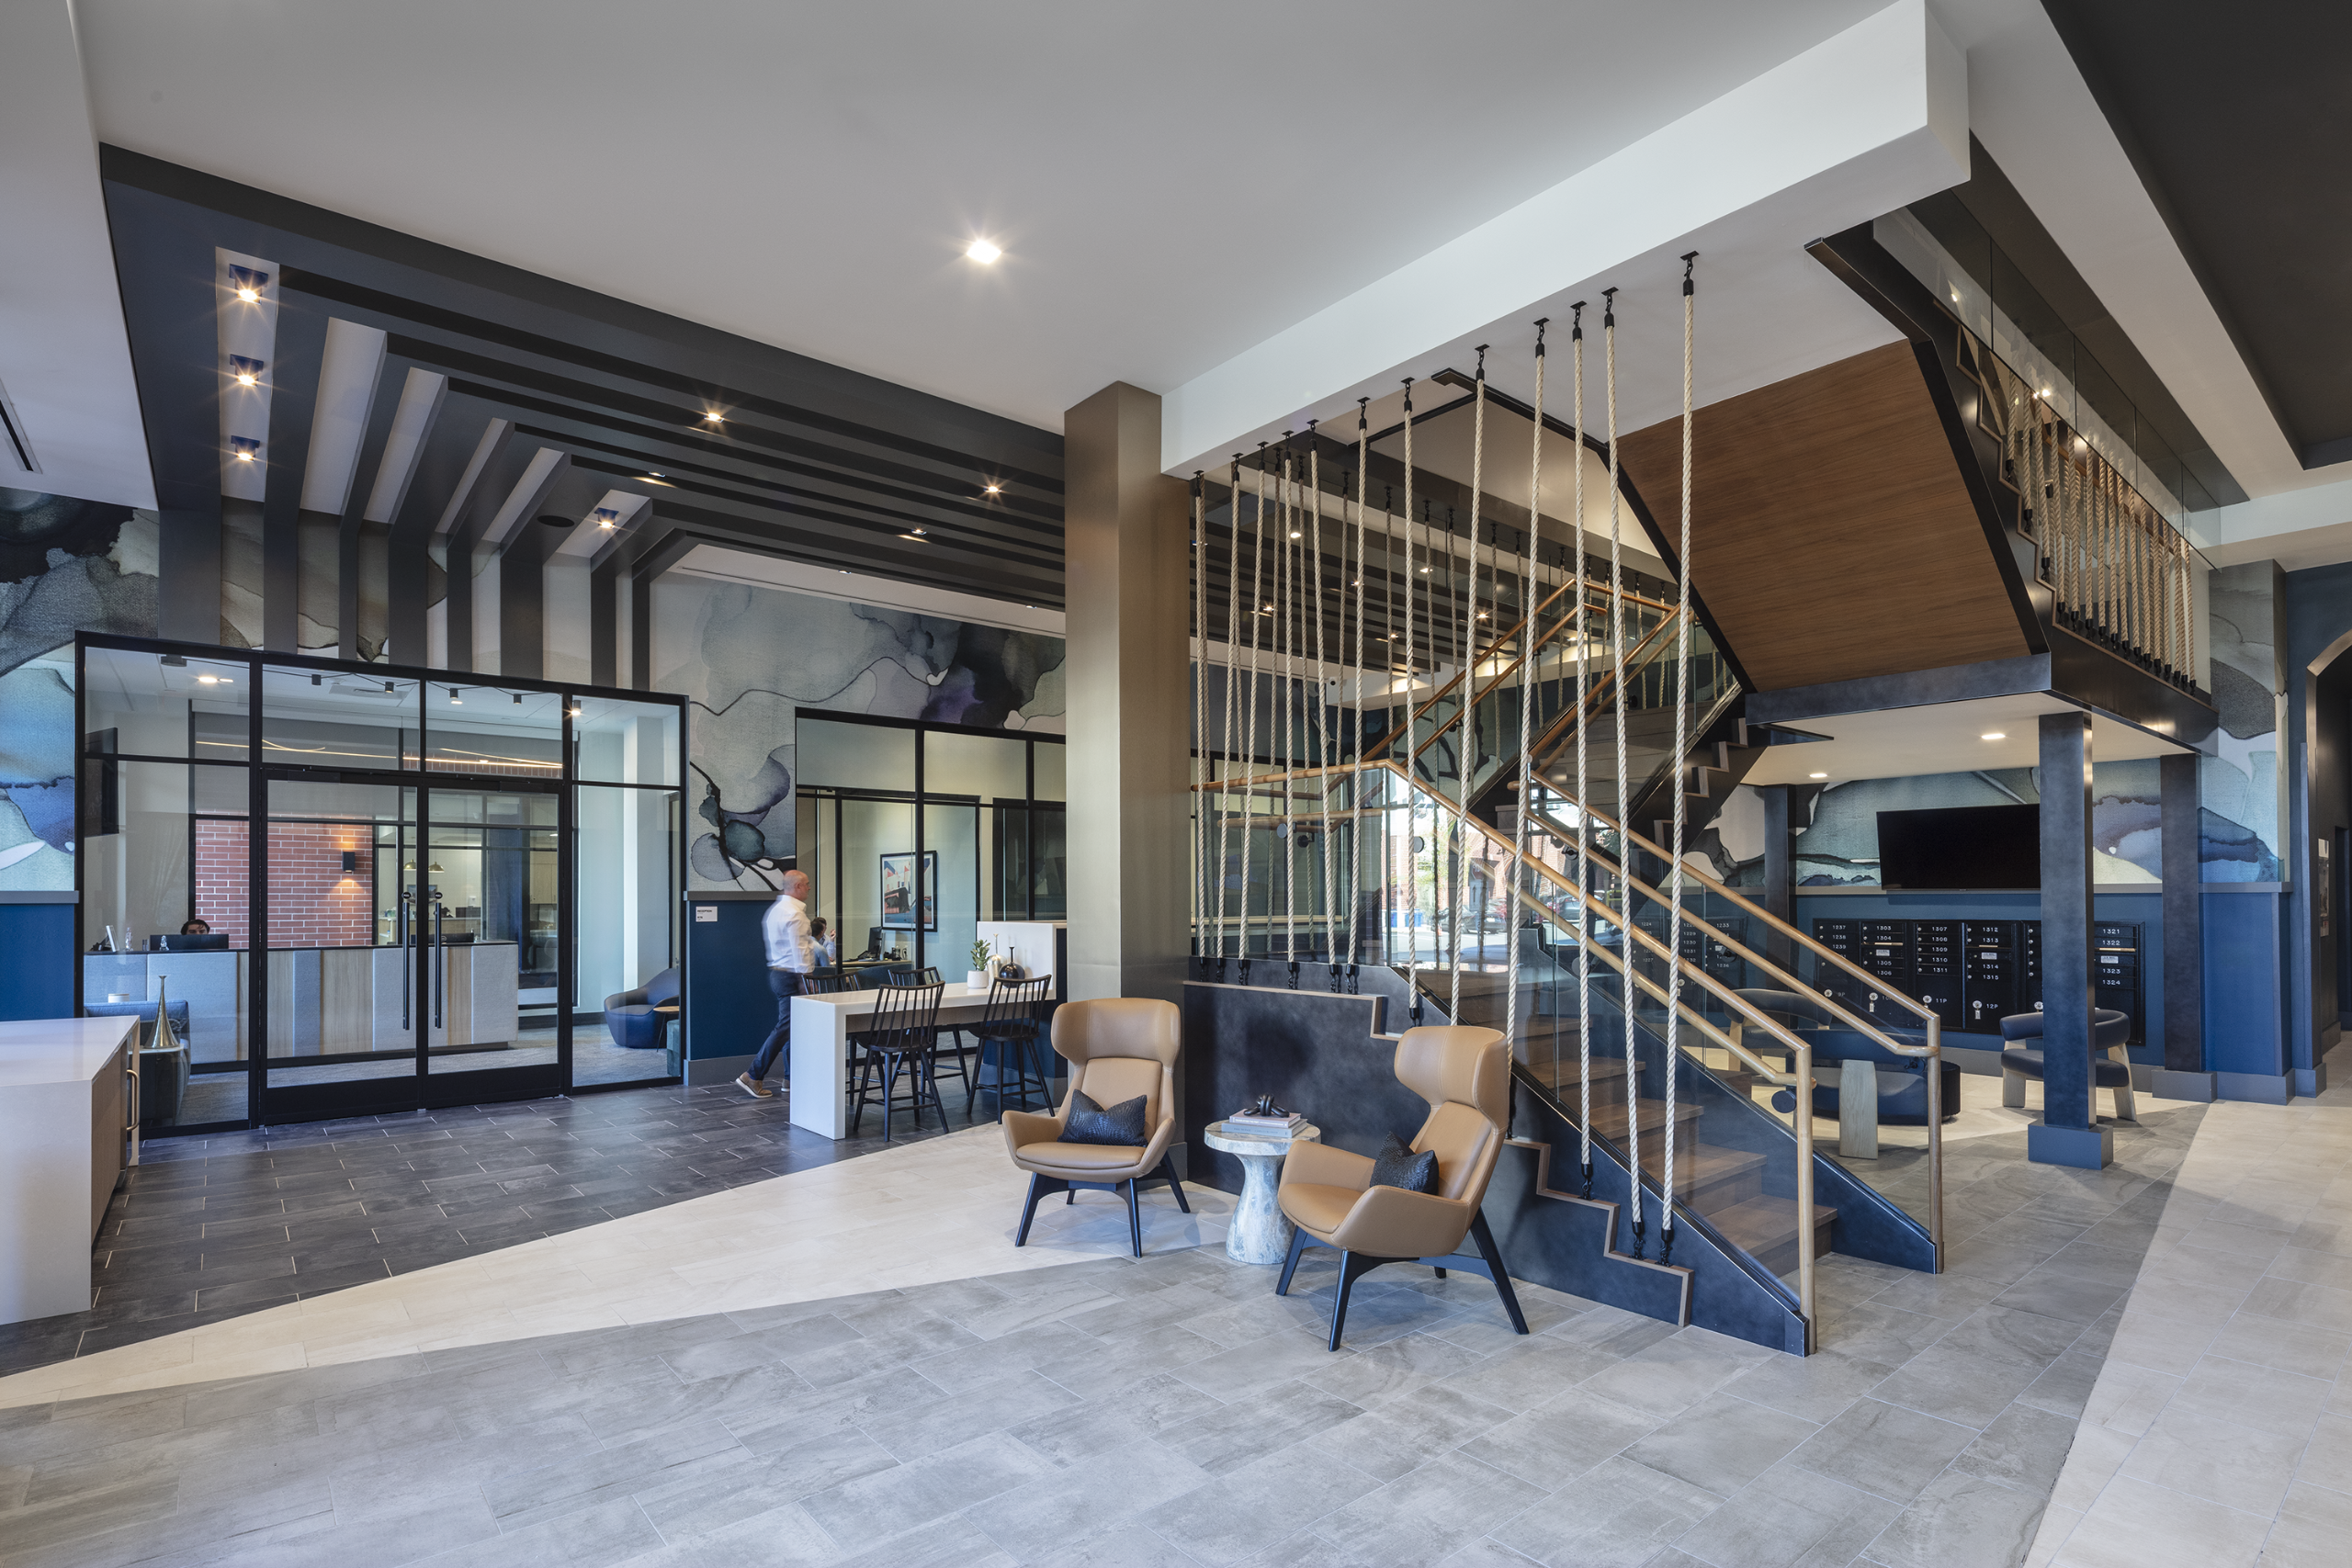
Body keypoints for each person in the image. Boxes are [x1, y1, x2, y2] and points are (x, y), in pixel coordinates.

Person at [738, 870, 816, 1100]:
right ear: (798, 886)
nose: (810, 888)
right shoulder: (795, 914)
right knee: (785, 1027)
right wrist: (806, 981)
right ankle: (753, 1075)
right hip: (793, 977)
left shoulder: (775, 911)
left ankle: (790, 1080)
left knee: (792, 1027)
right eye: (808, 884)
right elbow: (800, 951)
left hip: (778, 974)